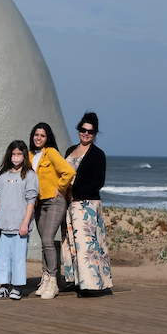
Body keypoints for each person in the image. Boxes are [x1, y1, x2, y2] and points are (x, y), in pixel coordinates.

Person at [61, 112, 113, 295]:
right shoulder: (69, 151)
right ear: (78, 131)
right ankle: (76, 280)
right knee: (71, 243)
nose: (86, 134)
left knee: (88, 246)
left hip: (87, 205)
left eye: (90, 132)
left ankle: (90, 284)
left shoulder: (98, 155)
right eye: (83, 130)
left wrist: (74, 193)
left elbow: (98, 182)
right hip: (70, 205)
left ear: (95, 134)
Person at [28, 122, 75, 299]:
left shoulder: (51, 153)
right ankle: (46, 277)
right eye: (36, 134)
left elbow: (68, 172)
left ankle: (53, 282)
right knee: (44, 242)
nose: (38, 138)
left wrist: (60, 187)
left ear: (47, 138)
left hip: (55, 201)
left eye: (42, 135)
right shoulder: (30, 155)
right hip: (39, 203)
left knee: (48, 240)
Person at [0, 139, 37, 300]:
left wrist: (25, 223)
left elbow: (31, 200)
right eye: (14, 154)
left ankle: (17, 287)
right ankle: (3, 286)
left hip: (20, 226)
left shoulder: (30, 175)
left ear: (24, 155)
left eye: (19, 154)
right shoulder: (2, 175)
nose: (16, 157)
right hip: (3, 224)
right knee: (2, 257)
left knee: (18, 257)